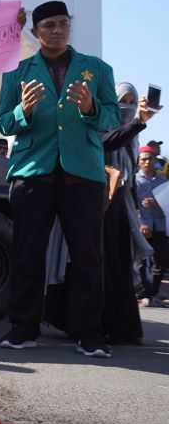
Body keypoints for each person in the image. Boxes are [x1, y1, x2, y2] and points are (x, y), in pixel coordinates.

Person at [0, 0, 118, 358]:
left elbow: (112, 116)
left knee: (88, 255)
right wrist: (23, 110)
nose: (57, 30)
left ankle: (88, 331)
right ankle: (23, 327)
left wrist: (91, 108)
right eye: (48, 25)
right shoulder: (17, 71)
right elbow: (4, 122)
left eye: (63, 23)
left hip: (82, 173)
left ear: (69, 26)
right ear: (35, 32)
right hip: (34, 171)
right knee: (27, 252)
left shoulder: (96, 69)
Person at [93, 82, 155, 344]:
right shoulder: (104, 127)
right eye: (123, 100)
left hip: (122, 207)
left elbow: (130, 179)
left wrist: (137, 212)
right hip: (100, 203)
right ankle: (96, 325)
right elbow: (104, 145)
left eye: (131, 101)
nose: (126, 106)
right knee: (100, 264)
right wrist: (135, 124)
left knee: (121, 265)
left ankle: (123, 328)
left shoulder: (134, 137)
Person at [137, 145, 169, 306]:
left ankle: (154, 293)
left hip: (161, 226)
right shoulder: (134, 181)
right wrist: (140, 222)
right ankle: (144, 293)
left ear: (155, 160)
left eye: (150, 158)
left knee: (160, 260)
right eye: (144, 159)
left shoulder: (164, 181)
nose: (147, 162)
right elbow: (131, 205)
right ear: (139, 161)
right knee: (142, 261)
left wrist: (157, 202)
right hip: (141, 226)